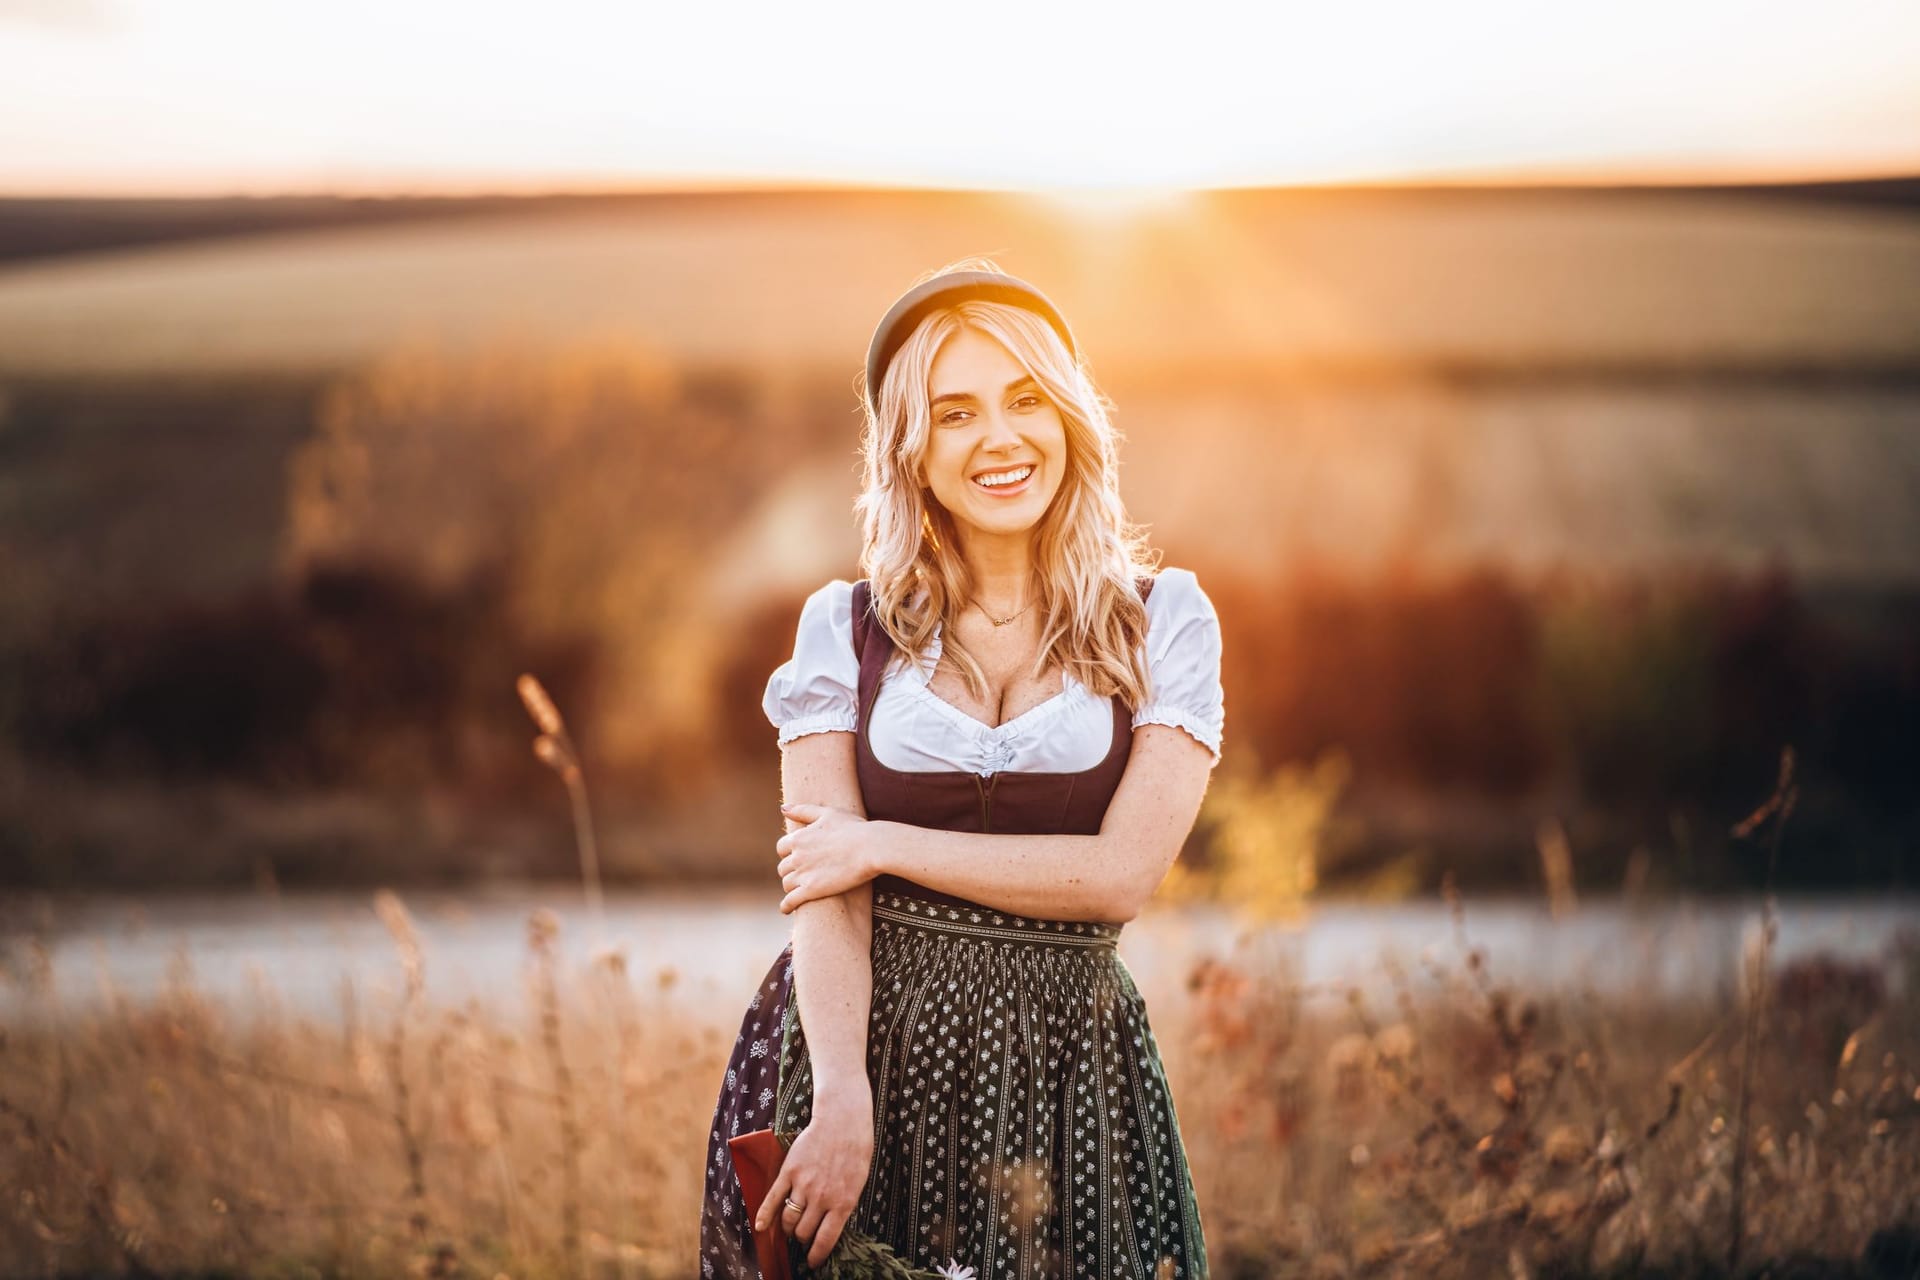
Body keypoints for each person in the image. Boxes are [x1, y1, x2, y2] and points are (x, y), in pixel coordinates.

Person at [699, 260, 1222, 1279]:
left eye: (1026, 398)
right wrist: (842, 1091)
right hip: (862, 1050)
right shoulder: (838, 632)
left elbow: (1121, 874)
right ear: (911, 450)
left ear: (1069, 417)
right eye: (955, 412)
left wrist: (883, 841)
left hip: (1066, 1066)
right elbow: (826, 893)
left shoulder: (1165, 622)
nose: (1000, 437)